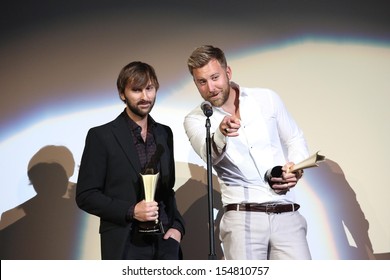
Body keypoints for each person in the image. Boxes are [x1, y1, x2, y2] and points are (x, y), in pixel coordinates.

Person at [183, 45, 311, 260]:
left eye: (215, 77)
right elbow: (210, 155)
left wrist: (295, 168)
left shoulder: (267, 98)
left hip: (286, 212)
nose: (211, 87)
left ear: (228, 72)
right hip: (242, 219)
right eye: (202, 82)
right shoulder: (196, 119)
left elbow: (295, 138)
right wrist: (221, 133)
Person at [76, 61, 185, 260]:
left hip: (164, 241)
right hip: (125, 243)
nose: (145, 97)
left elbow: (167, 190)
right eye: (136, 90)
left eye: (149, 88)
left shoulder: (164, 133)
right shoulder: (101, 136)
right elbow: (86, 195)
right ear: (122, 93)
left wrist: (177, 227)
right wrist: (131, 211)